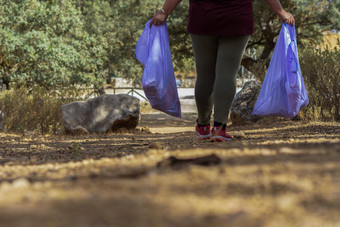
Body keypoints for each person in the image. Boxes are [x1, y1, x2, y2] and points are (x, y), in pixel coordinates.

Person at [150, 0, 295, 142]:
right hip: (237, 19)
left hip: (203, 19)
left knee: (205, 75)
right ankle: (219, 128)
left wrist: (164, 12)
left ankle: (203, 125)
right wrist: (280, 11)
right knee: (227, 74)